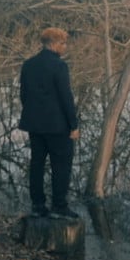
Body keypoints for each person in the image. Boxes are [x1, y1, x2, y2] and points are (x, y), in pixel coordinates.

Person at [18, 27, 79, 219]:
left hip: (35, 125)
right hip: (57, 126)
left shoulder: (28, 64)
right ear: (53, 44)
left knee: (37, 164)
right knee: (61, 165)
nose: (65, 47)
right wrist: (74, 125)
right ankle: (59, 206)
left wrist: (34, 115)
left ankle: (37, 205)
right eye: (63, 43)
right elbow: (66, 98)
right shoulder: (59, 66)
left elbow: (24, 95)